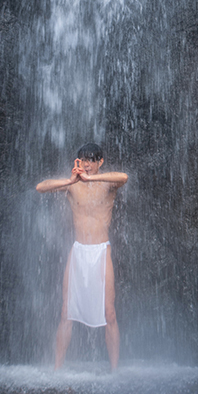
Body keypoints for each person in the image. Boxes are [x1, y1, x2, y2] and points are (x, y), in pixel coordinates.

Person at [35, 142, 128, 371]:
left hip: (100, 251)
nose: (87, 165)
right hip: (78, 251)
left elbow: (123, 177)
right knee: (66, 312)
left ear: (100, 162)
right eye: (83, 160)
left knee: (110, 313)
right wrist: (70, 181)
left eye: (92, 160)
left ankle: (115, 371)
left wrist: (91, 179)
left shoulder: (106, 184)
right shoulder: (73, 186)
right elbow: (41, 187)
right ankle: (57, 369)